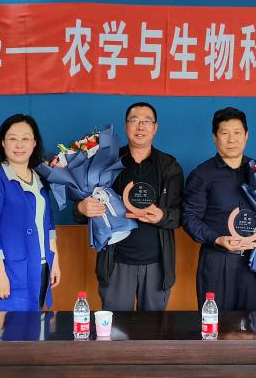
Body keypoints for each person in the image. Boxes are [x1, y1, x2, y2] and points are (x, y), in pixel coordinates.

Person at [182, 107, 256, 311]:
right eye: (225, 133)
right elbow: (189, 217)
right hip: (217, 260)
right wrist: (217, 239)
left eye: (237, 132)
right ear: (214, 137)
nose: (231, 139)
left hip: (253, 260)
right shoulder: (202, 174)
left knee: (250, 323)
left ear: (246, 135)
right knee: (214, 322)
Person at [76, 102, 183, 311]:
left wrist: (162, 216)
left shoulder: (169, 166)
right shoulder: (106, 162)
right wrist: (81, 208)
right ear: (126, 126)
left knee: (153, 329)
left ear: (155, 127)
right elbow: (85, 209)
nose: (140, 126)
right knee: (115, 328)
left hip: (157, 265)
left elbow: (181, 215)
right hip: (115, 262)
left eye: (146, 121)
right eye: (134, 121)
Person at [0, 114, 61, 311]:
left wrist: (55, 262)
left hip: (41, 268)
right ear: (3, 143)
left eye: (26, 138)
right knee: (8, 329)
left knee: (35, 327)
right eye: (13, 138)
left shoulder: (40, 178)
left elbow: (48, 225)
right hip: (10, 271)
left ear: (34, 143)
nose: (19, 145)